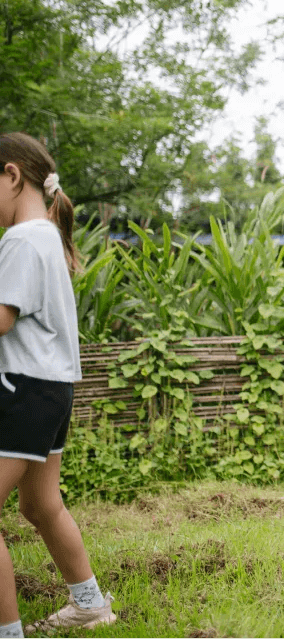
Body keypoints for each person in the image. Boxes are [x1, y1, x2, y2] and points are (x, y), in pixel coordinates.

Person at [0, 133, 116, 638]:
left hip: (23, 389)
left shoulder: (24, 238)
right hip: (51, 389)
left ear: (11, 176)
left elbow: (2, 319)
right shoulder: (45, 235)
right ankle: (89, 604)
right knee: (40, 505)